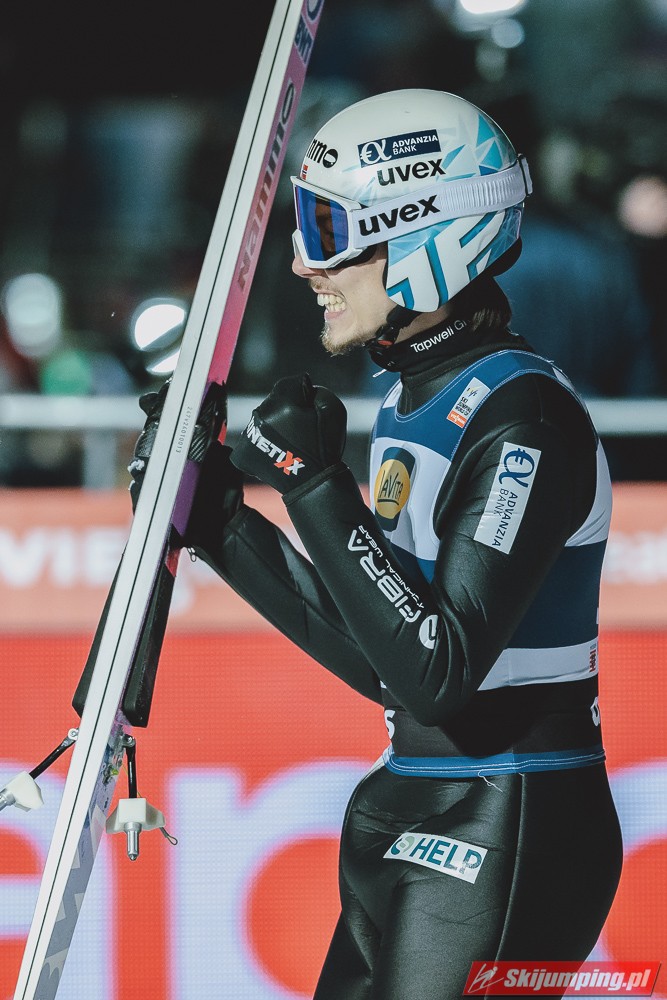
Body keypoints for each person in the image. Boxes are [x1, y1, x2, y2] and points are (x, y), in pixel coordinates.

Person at [130, 90, 623, 999]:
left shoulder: (524, 418)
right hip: (415, 793)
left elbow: (440, 669)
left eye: (328, 232)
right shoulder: (409, 396)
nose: (301, 262)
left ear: (425, 239)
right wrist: (224, 526)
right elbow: (385, 661)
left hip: (509, 813)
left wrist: (314, 486)